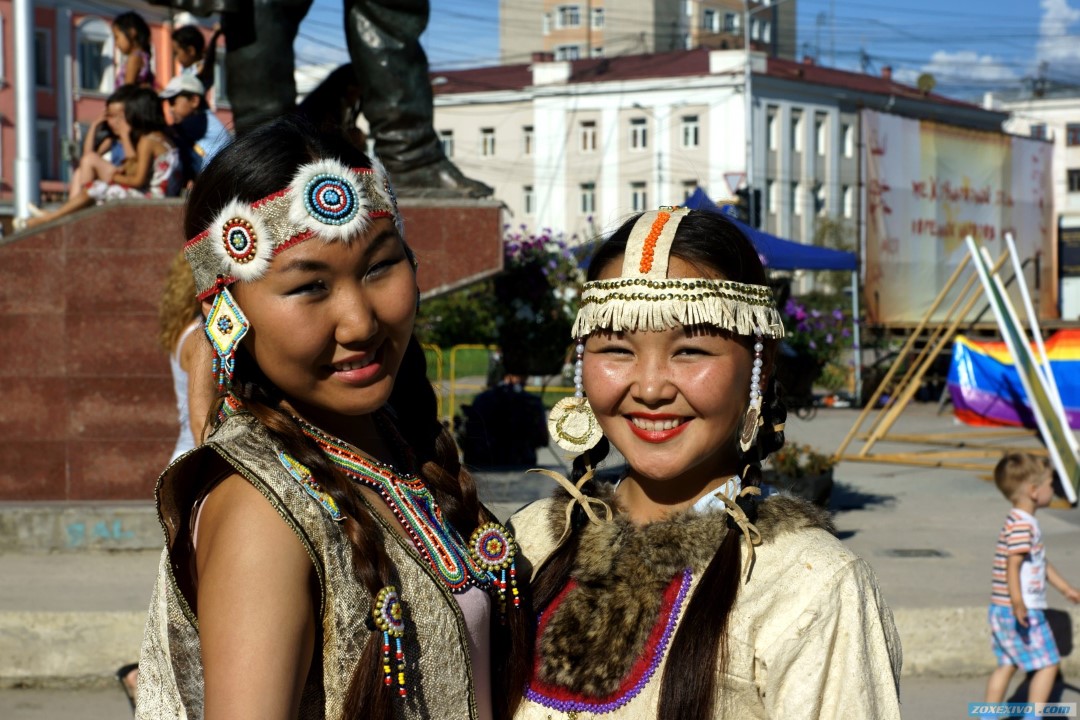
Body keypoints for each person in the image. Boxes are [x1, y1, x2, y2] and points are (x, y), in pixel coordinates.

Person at [134, 115, 531, 719]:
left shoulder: (400, 448)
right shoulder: (259, 508)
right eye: (309, 287)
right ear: (227, 314)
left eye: (379, 268)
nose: (361, 322)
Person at [508, 207, 902, 718]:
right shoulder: (530, 541)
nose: (649, 388)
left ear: (760, 365)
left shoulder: (811, 585)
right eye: (617, 349)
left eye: (691, 350)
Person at [220, 0, 491, 197]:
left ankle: (410, 157)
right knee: (260, 10)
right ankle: (262, 159)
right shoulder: (326, 105)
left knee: (390, 9)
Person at [984, 452, 1080, 710]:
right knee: (1048, 664)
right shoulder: (1023, 526)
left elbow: (1039, 562)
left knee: (1007, 663)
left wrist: (1065, 588)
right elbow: (1012, 564)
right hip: (1021, 609)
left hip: (1002, 608)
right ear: (1034, 491)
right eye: (1050, 484)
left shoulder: (1018, 521)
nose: (1053, 489)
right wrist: (1018, 602)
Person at [23, 88, 181, 230]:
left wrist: (114, 177)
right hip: (161, 196)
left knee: (96, 187)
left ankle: (51, 219)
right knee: (96, 185)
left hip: (151, 199)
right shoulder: (165, 140)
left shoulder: (147, 141)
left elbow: (138, 180)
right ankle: (55, 216)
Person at [461, 373, 548, 468]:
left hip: (486, 468)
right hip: (522, 468)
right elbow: (543, 439)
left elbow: (471, 440)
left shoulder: (481, 400)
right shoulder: (532, 402)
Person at [159, 74, 231, 182]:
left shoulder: (199, 121)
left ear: (194, 101)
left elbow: (165, 133)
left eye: (173, 102)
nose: (171, 109)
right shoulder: (204, 119)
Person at [171, 23, 220, 93]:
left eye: (176, 53)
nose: (175, 58)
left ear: (191, 51)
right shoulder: (186, 69)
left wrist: (214, 37)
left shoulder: (200, 70)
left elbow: (209, 62)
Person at [113, 11, 156, 89]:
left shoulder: (134, 58)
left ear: (131, 32)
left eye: (117, 37)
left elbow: (127, 89)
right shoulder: (143, 56)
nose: (116, 43)